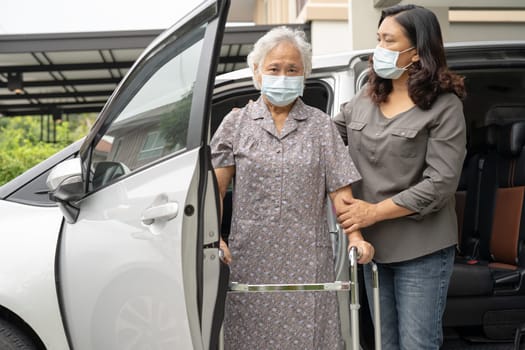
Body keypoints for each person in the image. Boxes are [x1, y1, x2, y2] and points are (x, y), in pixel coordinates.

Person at [211, 26, 374, 349]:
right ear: (257, 72)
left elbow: (341, 193)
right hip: (250, 260)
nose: (283, 76)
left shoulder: (320, 125)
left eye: (292, 69)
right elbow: (214, 190)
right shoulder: (235, 123)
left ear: (304, 75)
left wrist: (356, 238)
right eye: (274, 68)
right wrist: (215, 237)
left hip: (307, 262)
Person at [333, 4, 466, 350]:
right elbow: (324, 141)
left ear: (418, 53)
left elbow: (440, 185)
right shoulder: (365, 98)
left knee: (417, 345)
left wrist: (373, 212)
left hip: (422, 249)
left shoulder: (444, 107)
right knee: (383, 343)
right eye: (378, 38)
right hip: (373, 251)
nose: (378, 48)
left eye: (389, 41)